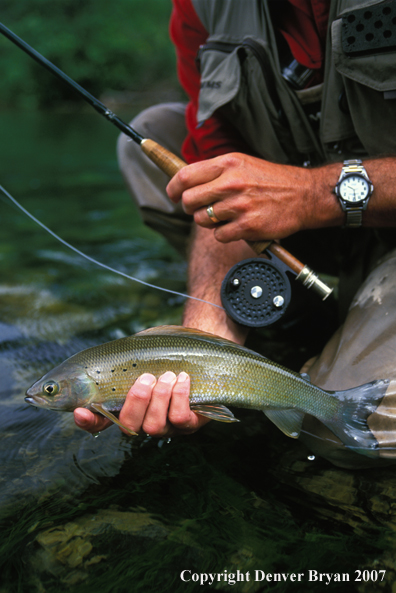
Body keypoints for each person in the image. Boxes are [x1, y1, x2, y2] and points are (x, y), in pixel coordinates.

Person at [74, 0, 396, 466]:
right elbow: (216, 189)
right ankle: (284, 317)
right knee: (147, 138)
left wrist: (312, 193)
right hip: (306, 237)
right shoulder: (198, 7)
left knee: (344, 434)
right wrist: (204, 337)